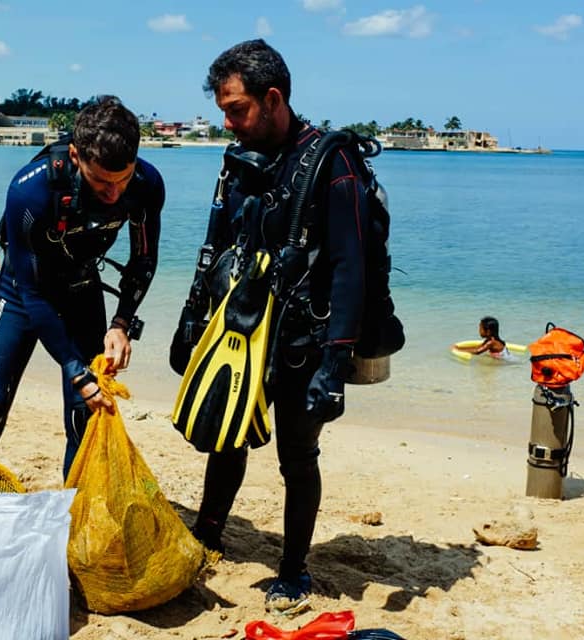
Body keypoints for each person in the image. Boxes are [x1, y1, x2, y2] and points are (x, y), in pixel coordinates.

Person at [170, 39, 370, 615]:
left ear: (273, 98)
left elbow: (350, 270)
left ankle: (294, 568)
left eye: (236, 109)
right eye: (224, 110)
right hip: (245, 329)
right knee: (225, 434)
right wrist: (191, 319)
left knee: (296, 456)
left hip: (305, 341)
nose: (227, 121)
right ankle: (207, 535)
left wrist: (334, 368)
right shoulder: (241, 159)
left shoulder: (332, 164)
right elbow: (217, 245)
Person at [0, 96, 164, 478]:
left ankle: (74, 515)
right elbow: (32, 293)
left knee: (86, 415)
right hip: (22, 292)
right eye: (101, 181)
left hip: (83, 289)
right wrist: (74, 368)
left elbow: (143, 261)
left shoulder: (147, 185)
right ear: (74, 155)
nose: (113, 194)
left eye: (123, 179)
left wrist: (121, 323)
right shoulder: (30, 191)